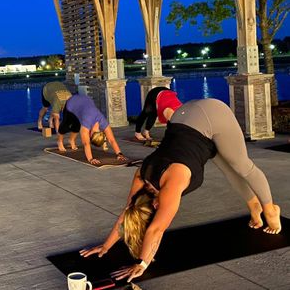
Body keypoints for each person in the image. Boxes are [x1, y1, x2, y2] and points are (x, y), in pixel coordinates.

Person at [80, 97, 281, 282]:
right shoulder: (142, 175)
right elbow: (127, 212)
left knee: (242, 166)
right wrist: (106, 246)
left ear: (155, 203)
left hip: (212, 115)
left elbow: (156, 230)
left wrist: (142, 264)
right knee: (229, 170)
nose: (160, 211)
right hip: (184, 117)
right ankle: (254, 205)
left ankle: (271, 209)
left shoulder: (170, 185)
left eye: (157, 210)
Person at [58, 94, 127, 165]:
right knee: (65, 126)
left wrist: (119, 154)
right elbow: (86, 143)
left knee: (77, 126)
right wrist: (91, 159)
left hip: (85, 103)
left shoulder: (103, 122)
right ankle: (60, 141)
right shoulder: (86, 122)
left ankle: (71, 140)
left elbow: (112, 140)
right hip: (72, 103)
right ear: (90, 135)